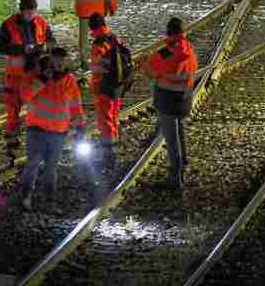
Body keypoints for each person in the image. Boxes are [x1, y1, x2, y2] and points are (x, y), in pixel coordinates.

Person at [18, 47, 86, 210]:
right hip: (37, 129)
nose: (60, 65)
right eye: (57, 61)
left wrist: (80, 127)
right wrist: (41, 80)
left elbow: (75, 105)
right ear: (50, 60)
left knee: (51, 167)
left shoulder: (69, 80)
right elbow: (25, 95)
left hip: (58, 132)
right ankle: (26, 197)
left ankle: (49, 200)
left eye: (62, 61)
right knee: (33, 163)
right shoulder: (36, 75)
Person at [141, 16, 198, 191]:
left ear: (168, 33)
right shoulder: (190, 50)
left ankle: (175, 177)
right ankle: (183, 163)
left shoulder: (163, 54)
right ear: (183, 33)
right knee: (179, 132)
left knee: (171, 140)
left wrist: (145, 62)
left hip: (167, 100)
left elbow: (149, 71)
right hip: (185, 98)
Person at [0, 0, 55, 159]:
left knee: (38, 108)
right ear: (21, 11)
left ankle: (38, 139)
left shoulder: (41, 22)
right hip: (15, 76)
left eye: (33, 13)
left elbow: (52, 42)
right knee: (13, 109)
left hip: (34, 74)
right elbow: (0, 47)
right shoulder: (8, 24)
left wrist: (43, 48)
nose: (31, 16)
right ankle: (12, 142)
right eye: (28, 13)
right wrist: (22, 49)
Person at [87, 13, 132, 192]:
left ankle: (108, 154)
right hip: (117, 87)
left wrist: (94, 86)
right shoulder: (115, 38)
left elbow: (97, 71)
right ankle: (112, 146)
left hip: (103, 89)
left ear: (92, 28)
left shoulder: (98, 45)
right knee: (112, 117)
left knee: (104, 121)